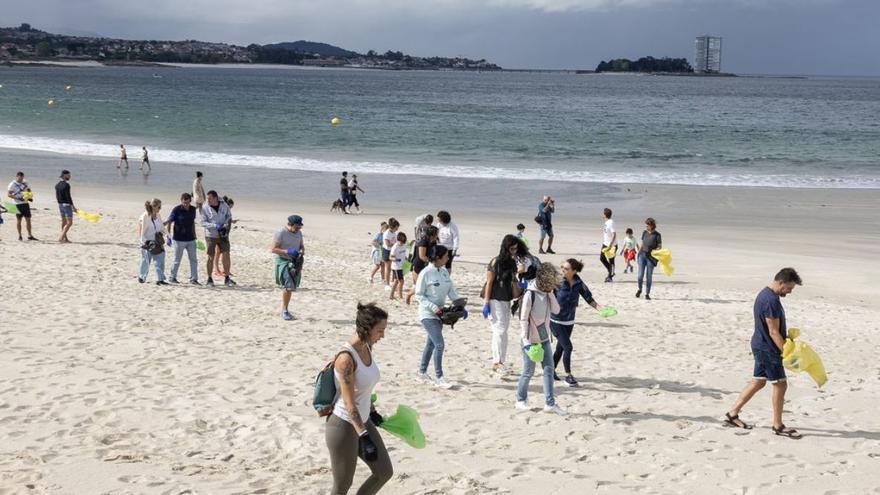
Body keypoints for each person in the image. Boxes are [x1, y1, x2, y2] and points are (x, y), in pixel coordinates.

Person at [725, 268, 803, 439]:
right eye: (789, 288)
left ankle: (732, 414)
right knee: (780, 384)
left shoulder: (767, 295)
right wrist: (786, 353)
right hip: (768, 348)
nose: (789, 292)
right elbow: (773, 331)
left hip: (760, 345)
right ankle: (778, 425)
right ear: (781, 282)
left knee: (759, 382)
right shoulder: (770, 301)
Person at [326, 303, 393, 494]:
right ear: (366, 329)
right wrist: (364, 436)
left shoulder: (367, 346)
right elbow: (349, 404)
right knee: (342, 486)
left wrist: (372, 411)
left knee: (384, 472)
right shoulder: (346, 359)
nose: (383, 335)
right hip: (343, 426)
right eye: (380, 331)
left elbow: (362, 388)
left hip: (363, 420)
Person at [515, 261, 565, 415]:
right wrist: (526, 342)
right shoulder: (530, 294)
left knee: (549, 370)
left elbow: (556, 310)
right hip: (530, 339)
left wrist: (550, 293)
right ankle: (520, 400)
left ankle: (550, 404)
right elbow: (523, 319)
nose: (554, 285)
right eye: (551, 283)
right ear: (544, 280)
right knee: (528, 371)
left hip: (543, 337)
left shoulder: (547, 292)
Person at [415, 245, 463, 389]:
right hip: (427, 314)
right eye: (446, 256)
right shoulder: (425, 273)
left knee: (431, 344)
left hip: (441, 314)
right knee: (439, 344)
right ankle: (439, 377)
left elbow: (451, 291)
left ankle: (421, 372)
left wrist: (460, 305)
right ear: (437, 258)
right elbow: (419, 295)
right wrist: (433, 307)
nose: (448, 258)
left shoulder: (443, 272)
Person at [551, 258, 603, 387]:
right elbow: (545, 295)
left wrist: (600, 309)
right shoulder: (557, 281)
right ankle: (568, 375)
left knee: (561, 348)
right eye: (562, 267)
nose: (563, 270)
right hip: (555, 320)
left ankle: (550, 370)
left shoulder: (579, 282)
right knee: (568, 347)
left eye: (566, 268)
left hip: (569, 321)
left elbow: (588, 297)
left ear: (574, 271)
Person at [482, 235, 524, 374]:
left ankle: (500, 361)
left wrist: (519, 283)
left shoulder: (512, 262)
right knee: (499, 330)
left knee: (503, 331)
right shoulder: (495, 262)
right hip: (494, 299)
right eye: (511, 249)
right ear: (505, 248)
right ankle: (497, 362)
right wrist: (486, 303)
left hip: (506, 299)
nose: (513, 251)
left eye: (515, 249)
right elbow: (489, 282)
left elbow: (512, 281)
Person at [271, 215, 305, 320]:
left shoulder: (299, 233)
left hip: (295, 262)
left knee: (292, 286)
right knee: (288, 285)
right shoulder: (281, 233)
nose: (298, 229)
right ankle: (285, 310)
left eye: (300, 227)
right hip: (283, 261)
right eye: (296, 227)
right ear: (290, 224)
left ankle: (285, 309)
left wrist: (301, 253)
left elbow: (302, 246)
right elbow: (273, 249)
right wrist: (287, 251)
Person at [200, 191, 235, 287]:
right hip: (211, 235)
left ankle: (227, 278)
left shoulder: (224, 204)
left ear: (215, 198)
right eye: (207, 198)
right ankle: (209, 279)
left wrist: (226, 226)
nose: (208, 200)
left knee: (226, 254)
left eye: (210, 198)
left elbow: (229, 216)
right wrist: (214, 225)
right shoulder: (205, 207)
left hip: (223, 234)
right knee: (210, 256)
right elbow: (202, 222)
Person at [166, 192, 199, 285]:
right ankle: (172, 277)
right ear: (181, 201)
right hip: (178, 239)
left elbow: (192, 222)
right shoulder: (176, 210)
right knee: (177, 260)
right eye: (184, 203)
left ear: (190, 201)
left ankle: (194, 279)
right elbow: (169, 222)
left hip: (191, 239)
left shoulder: (193, 209)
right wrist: (168, 236)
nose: (186, 205)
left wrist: (195, 234)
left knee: (193, 260)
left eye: (187, 203)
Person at [137, 198, 168, 285]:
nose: (160, 208)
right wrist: (143, 242)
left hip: (157, 241)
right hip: (147, 242)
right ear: (154, 207)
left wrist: (169, 236)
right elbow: (142, 229)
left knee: (160, 260)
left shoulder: (158, 215)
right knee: (146, 261)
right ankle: (142, 277)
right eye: (159, 207)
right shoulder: (145, 216)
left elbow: (162, 227)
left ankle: (160, 279)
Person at [405, 225, 438, 305]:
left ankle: (423, 300)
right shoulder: (423, 242)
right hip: (418, 266)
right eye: (436, 233)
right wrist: (432, 262)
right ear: (431, 234)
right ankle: (408, 295)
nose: (437, 235)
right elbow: (422, 256)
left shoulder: (433, 242)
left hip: (426, 266)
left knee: (427, 285)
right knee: (420, 287)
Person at [636, 217, 662, 300]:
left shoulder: (657, 235)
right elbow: (642, 243)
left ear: (652, 225)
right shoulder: (644, 233)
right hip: (642, 256)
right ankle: (640, 289)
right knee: (640, 275)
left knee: (649, 276)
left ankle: (647, 294)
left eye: (647, 225)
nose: (646, 227)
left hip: (651, 258)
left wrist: (655, 251)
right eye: (646, 225)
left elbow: (660, 247)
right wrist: (638, 254)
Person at [7, 171, 37, 241]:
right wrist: (18, 198)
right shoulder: (12, 184)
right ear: (16, 177)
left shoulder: (25, 182)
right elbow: (9, 194)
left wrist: (29, 196)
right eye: (19, 178)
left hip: (25, 203)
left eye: (22, 178)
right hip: (17, 204)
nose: (20, 180)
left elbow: (29, 190)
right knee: (19, 220)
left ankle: (30, 235)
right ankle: (20, 235)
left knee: (28, 220)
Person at [213, 196, 237, 278]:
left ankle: (225, 270)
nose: (230, 209)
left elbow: (228, 220)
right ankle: (216, 270)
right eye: (230, 207)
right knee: (218, 252)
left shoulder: (226, 211)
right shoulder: (222, 211)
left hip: (226, 235)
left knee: (225, 253)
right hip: (219, 235)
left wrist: (232, 221)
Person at [55, 170, 76, 243]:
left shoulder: (57, 185)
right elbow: (68, 197)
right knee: (69, 222)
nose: (70, 176)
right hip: (66, 205)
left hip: (60, 205)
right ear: (64, 175)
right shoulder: (66, 185)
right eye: (68, 175)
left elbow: (57, 197)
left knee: (64, 222)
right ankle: (61, 237)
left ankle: (65, 238)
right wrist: (73, 206)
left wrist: (60, 203)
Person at [382, 218, 400, 290]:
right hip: (387, 251)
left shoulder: (393, 232)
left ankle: (392, 281)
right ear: (393, 226)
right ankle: (387, 284)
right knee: (388, 268)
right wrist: (397, 244)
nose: (397, 229)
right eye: (396, 227)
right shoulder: (387, 233)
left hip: (393, 251)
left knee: (394, 267)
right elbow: (388, 244)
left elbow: (395, 241)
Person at [600, 208, 617, 282]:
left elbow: (614, 234)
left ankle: (610, 276)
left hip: (612, 245)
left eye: (603, 213)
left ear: (605, 215)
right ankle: (610, 271)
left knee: (611, 260)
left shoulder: (611, 222)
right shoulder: (607, 222)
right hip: (605, 244)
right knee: (602, 258)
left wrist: (610, 245)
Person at [389, 232, 408, 301]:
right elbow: (390, 257)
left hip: (401, 266)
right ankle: (400, 296)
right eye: (401, 242)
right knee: (401, 281)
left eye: (403, 242)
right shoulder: (395, 247)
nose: (402, 243)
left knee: (396, 281)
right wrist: (396, 259)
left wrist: (405, 258)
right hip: (396, 267)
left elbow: (403, 253)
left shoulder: (404, 245)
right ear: (397, 240)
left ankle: (391, 295)